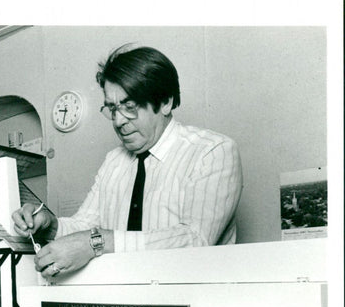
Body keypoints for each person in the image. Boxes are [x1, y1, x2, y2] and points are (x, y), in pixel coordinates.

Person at [13, 45, 243, 280]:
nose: (119, 121)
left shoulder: (211, 152)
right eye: (112, 108)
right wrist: (49, 225)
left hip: (190, 305)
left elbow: (196, 239)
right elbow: (86, 224)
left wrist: (98, 242)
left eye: (130, 107)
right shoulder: (114, 161)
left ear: (165, 101)